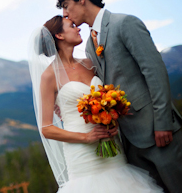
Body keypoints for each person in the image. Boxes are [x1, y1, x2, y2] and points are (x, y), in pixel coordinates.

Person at [56, 0, 182, 192]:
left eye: (66, 6)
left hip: (158, 131)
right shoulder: (88, 45)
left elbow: (155, 72)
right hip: (127, 143)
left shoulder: (124, 23)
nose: (66, 14)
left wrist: (162, 123)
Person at [29, 15, 163, 192]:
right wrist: (86, 137)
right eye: (72, 26)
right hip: (83, 156)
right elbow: (46, 128)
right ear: (60, 36)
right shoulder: (49, 76)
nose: (78, 28)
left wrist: (112, 122)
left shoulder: (90, 63)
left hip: (113, 149)